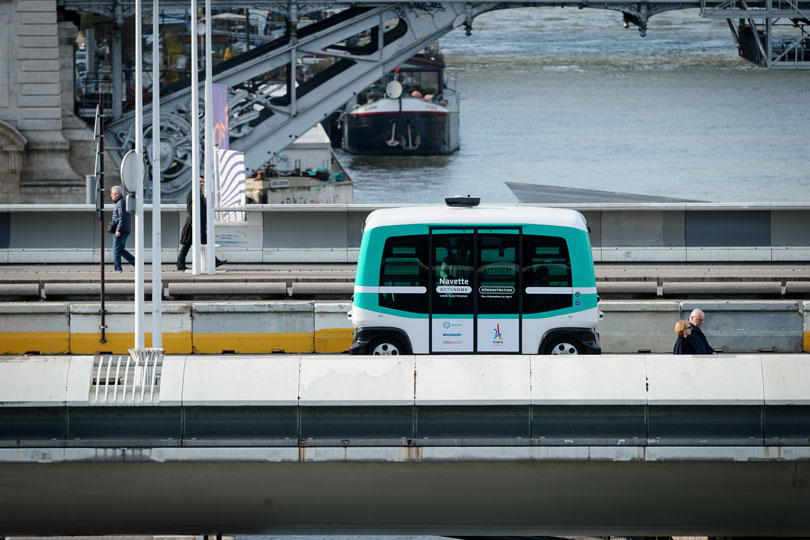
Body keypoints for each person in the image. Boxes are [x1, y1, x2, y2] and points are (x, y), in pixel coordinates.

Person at [176, 176, 225, 271]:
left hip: (199, 223)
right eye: (200, 182)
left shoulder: (199, 193)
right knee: (189, 243)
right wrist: (193, 223)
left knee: (202, 242)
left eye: (203, 182)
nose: (202, 184)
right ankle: (180, 264)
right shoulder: (192, 193)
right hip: (194, 224)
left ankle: (214, 261)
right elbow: (190, 208)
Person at [110, 185, 135, 272]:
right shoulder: (122, 202)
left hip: (121, 230)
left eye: (112, 193)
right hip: (124, 229)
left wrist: (118, 230)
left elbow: (122, 217)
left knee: (116, 250)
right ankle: (136, 262)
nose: (111, 195)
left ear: (117, 194)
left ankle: (118, 269)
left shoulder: (120, 203)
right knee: (119, 249)